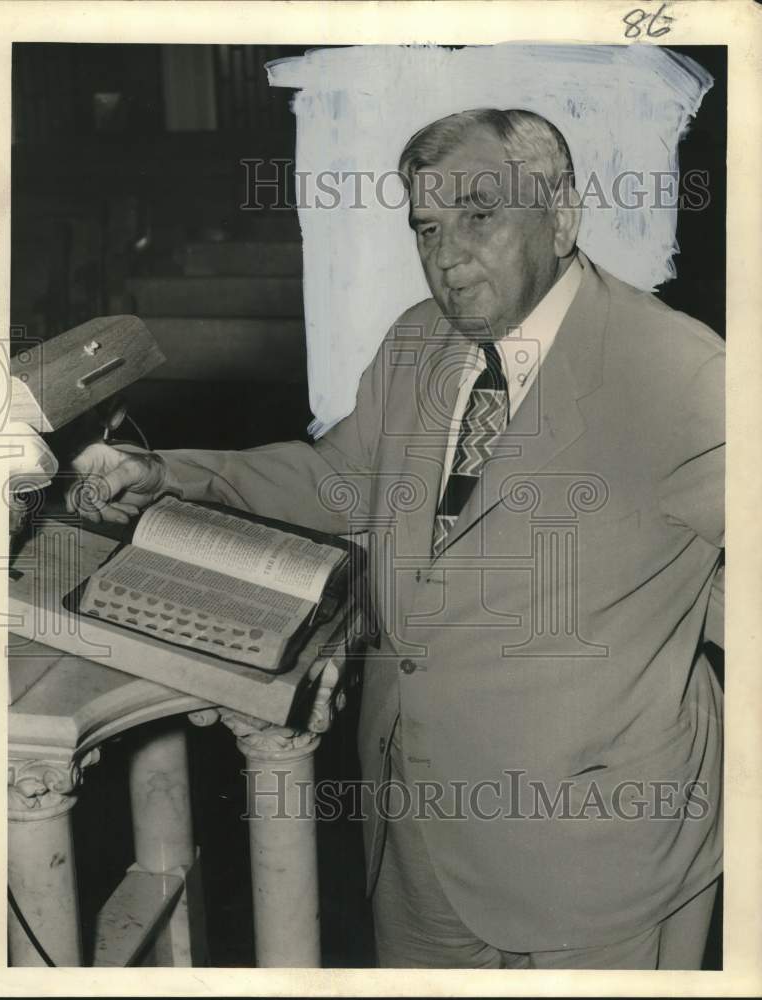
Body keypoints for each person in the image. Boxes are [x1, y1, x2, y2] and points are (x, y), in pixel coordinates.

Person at [67, 109, 725, 969]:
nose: (448, 254)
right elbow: (335, 481)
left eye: (480, 215)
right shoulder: (420, 340)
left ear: (561, 215)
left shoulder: (678, 372)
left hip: (597, 857)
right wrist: (172, 475)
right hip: (412, 834)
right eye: (427, 225)